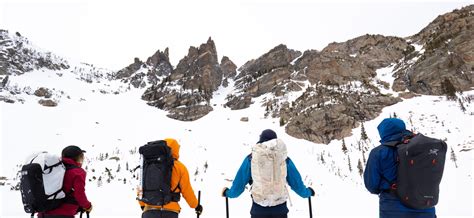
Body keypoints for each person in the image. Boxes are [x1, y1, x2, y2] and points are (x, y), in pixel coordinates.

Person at [222, 129, 314, 218]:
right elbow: (296, 183)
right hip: (280, 210)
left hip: (259, 211)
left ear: (261, 140)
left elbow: (239, 183)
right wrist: (307, 193)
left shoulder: (252, 158)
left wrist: (229, 193)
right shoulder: (284, 158)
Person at [364, 118, 436, 218]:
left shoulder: (379, 152)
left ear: (383, 132)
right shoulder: (422, 147)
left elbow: (371, 185)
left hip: (393, 208)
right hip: (425, 205)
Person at [138, 138, 203, 218]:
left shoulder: (148, 164)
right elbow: (187, 190)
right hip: (170, 212)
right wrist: (196, 206)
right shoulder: (180, 167)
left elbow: (141, 186)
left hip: (149, 210)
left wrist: (142, 205)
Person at [39, 145, 93, 218]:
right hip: (63, 214)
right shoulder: (77, 172)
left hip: (43, 213)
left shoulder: (51, 169)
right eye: (81, 157)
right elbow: (79, 194)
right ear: (77, 158)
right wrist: (87, 206)